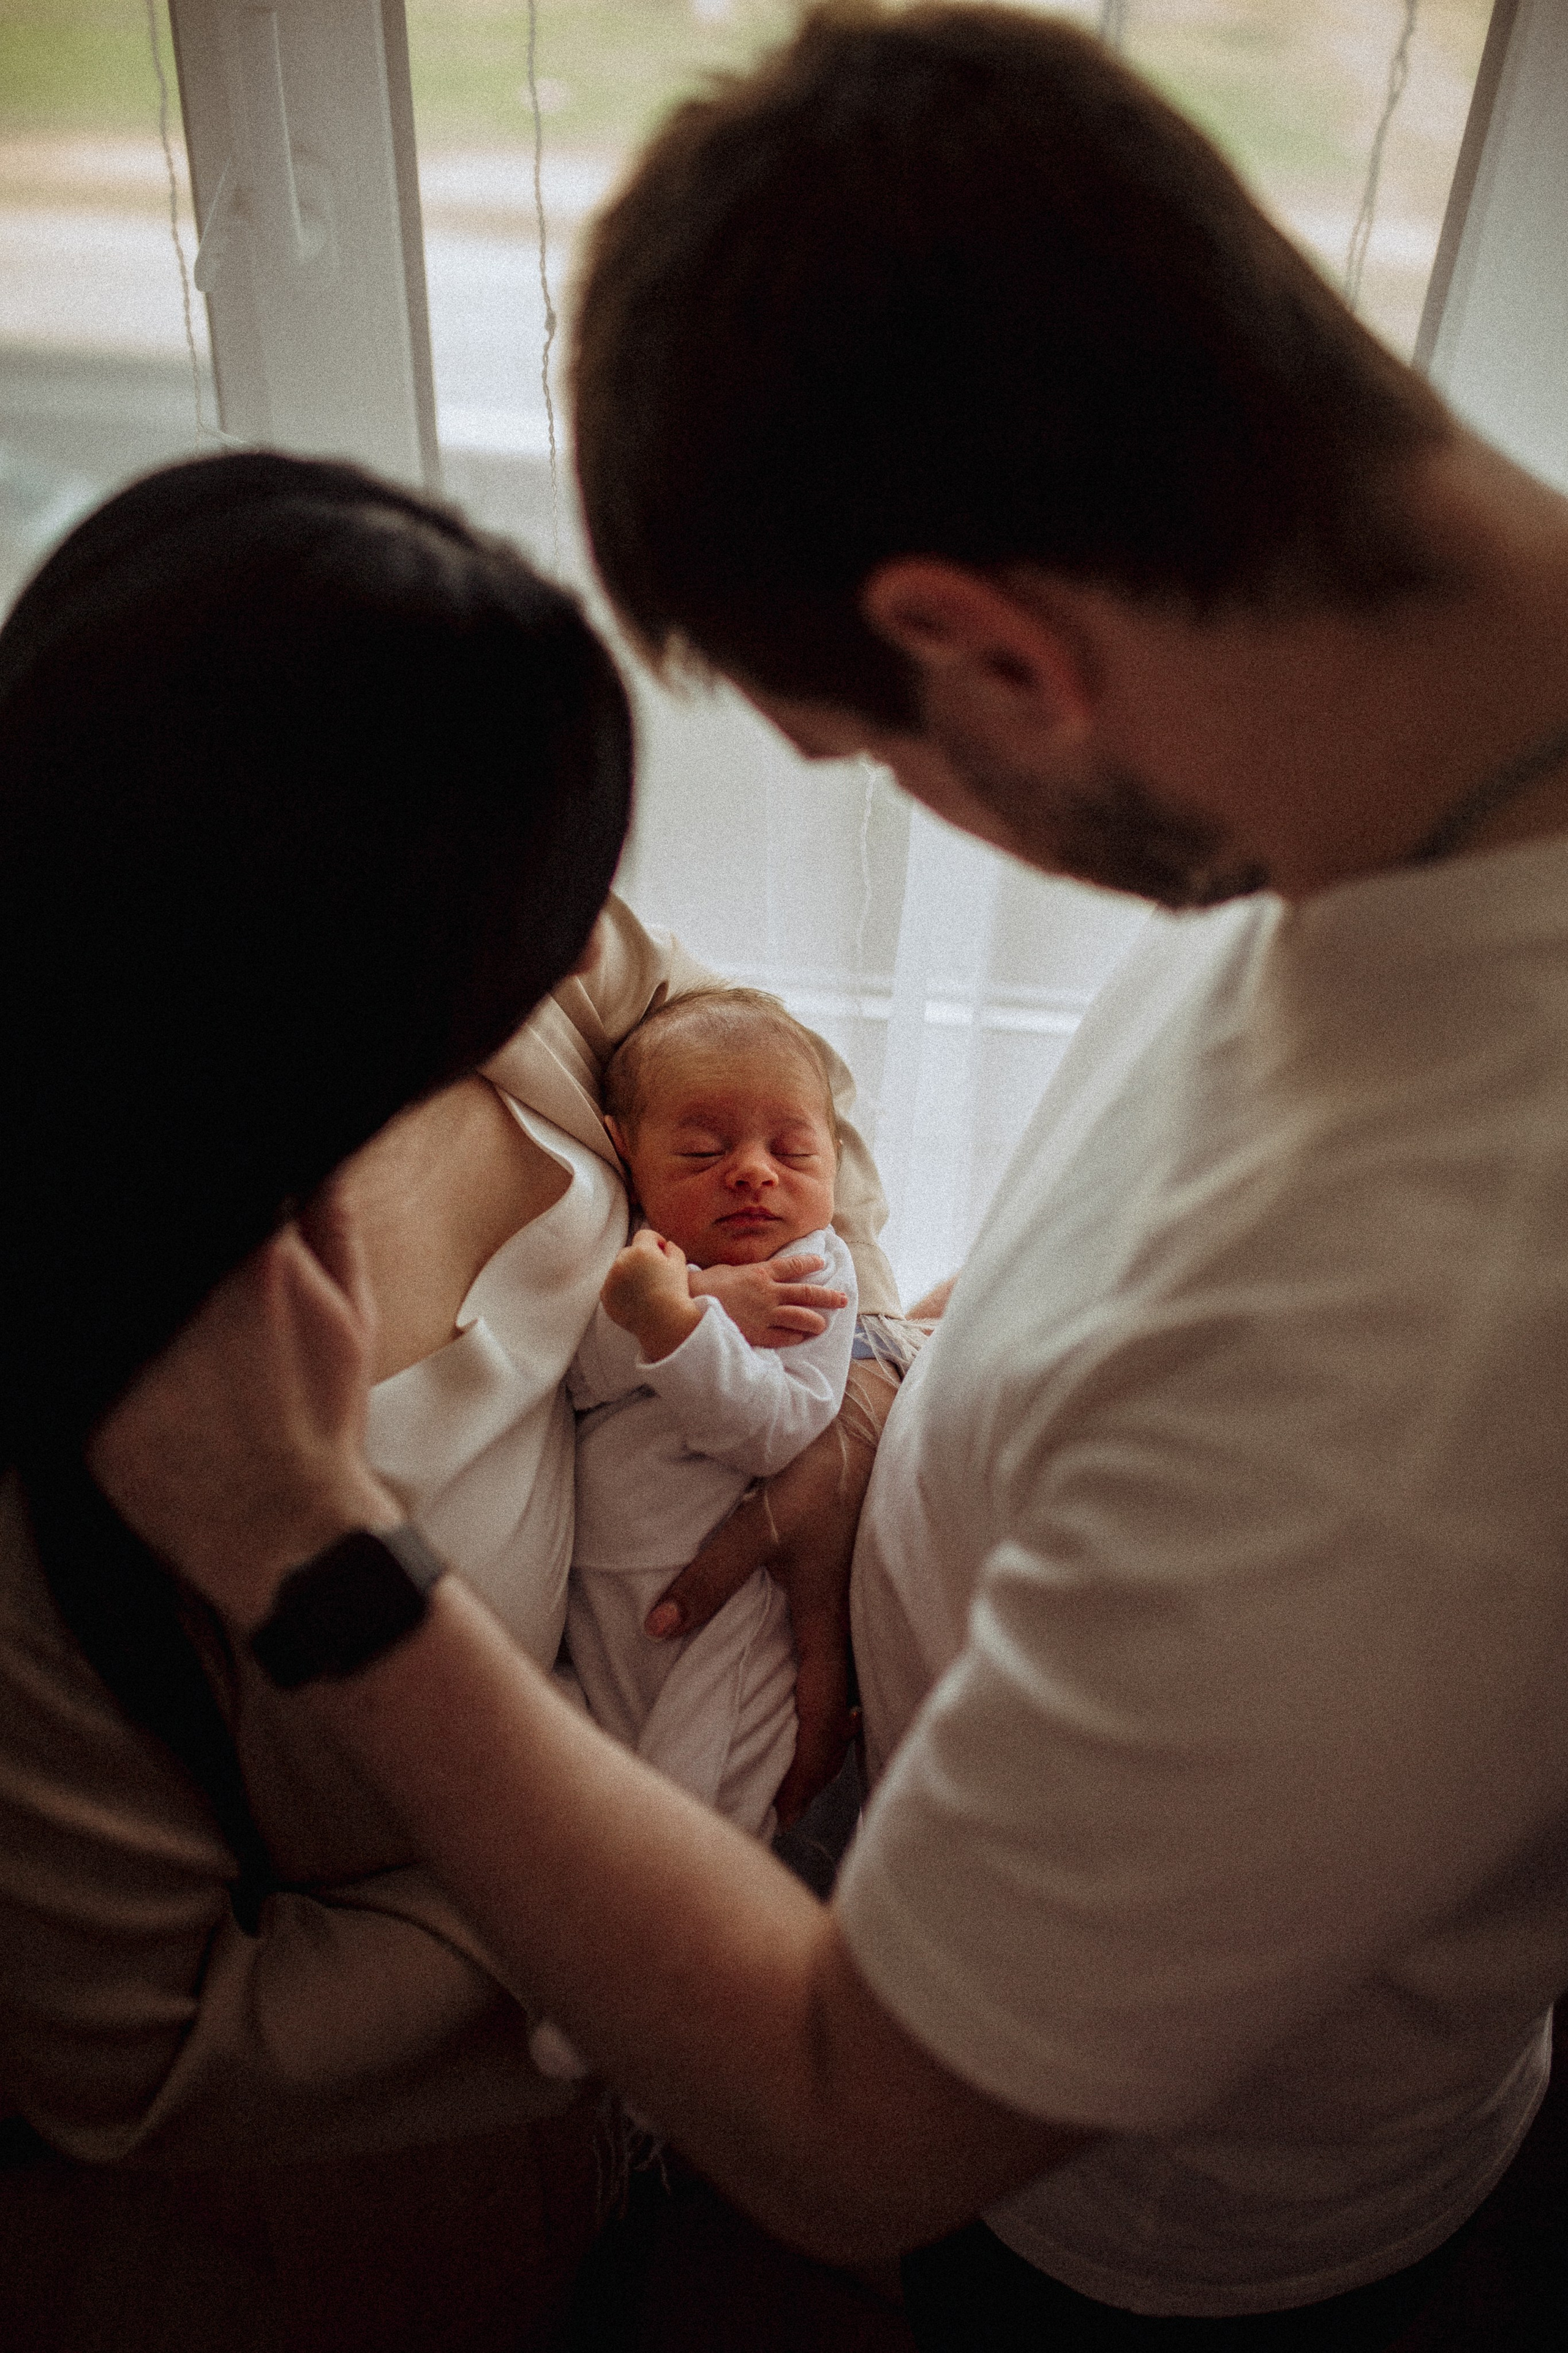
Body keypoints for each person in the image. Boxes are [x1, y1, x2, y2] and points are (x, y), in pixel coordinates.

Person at [79, 7, 1568, 2349]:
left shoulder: (1449, 1310)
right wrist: (885, 1387)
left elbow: (848, 2121)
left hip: (1158, 2235)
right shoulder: (1406, 788)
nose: (920, 813)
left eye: (877, 753)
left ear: (989, 649)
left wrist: (307, 1553)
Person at [0, 448, 899, 2352]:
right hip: (360, 2187)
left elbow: (773, 1092)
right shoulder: (80, 1436)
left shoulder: (499, 925)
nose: (583, 942)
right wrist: (635, 1855)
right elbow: (145, 2052)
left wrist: (847, 1397)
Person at [564, 988, 858, 1842]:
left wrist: (682, 1325)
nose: (755, 1171)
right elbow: (581, 1378)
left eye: (795, 1149)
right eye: (702, 1150)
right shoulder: (636, 1252)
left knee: (696, 1821)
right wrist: (683, 1293)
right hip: (600, 1599)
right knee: (589, 1801)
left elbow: (779, 1428)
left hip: (730, 1615)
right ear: (628, 1153)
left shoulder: (817, 1269)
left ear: (835, 1156)